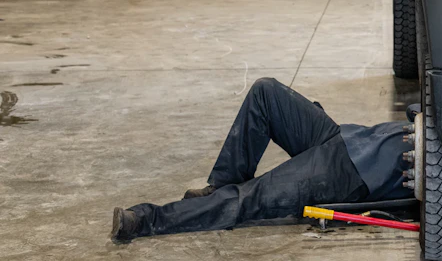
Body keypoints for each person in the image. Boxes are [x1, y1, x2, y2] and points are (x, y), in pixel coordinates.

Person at [111, 78, 414, 242]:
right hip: (348, 137)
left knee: (249, 198)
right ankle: (222, 184)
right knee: (265, 92)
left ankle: (144, 220)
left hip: (349, 174)